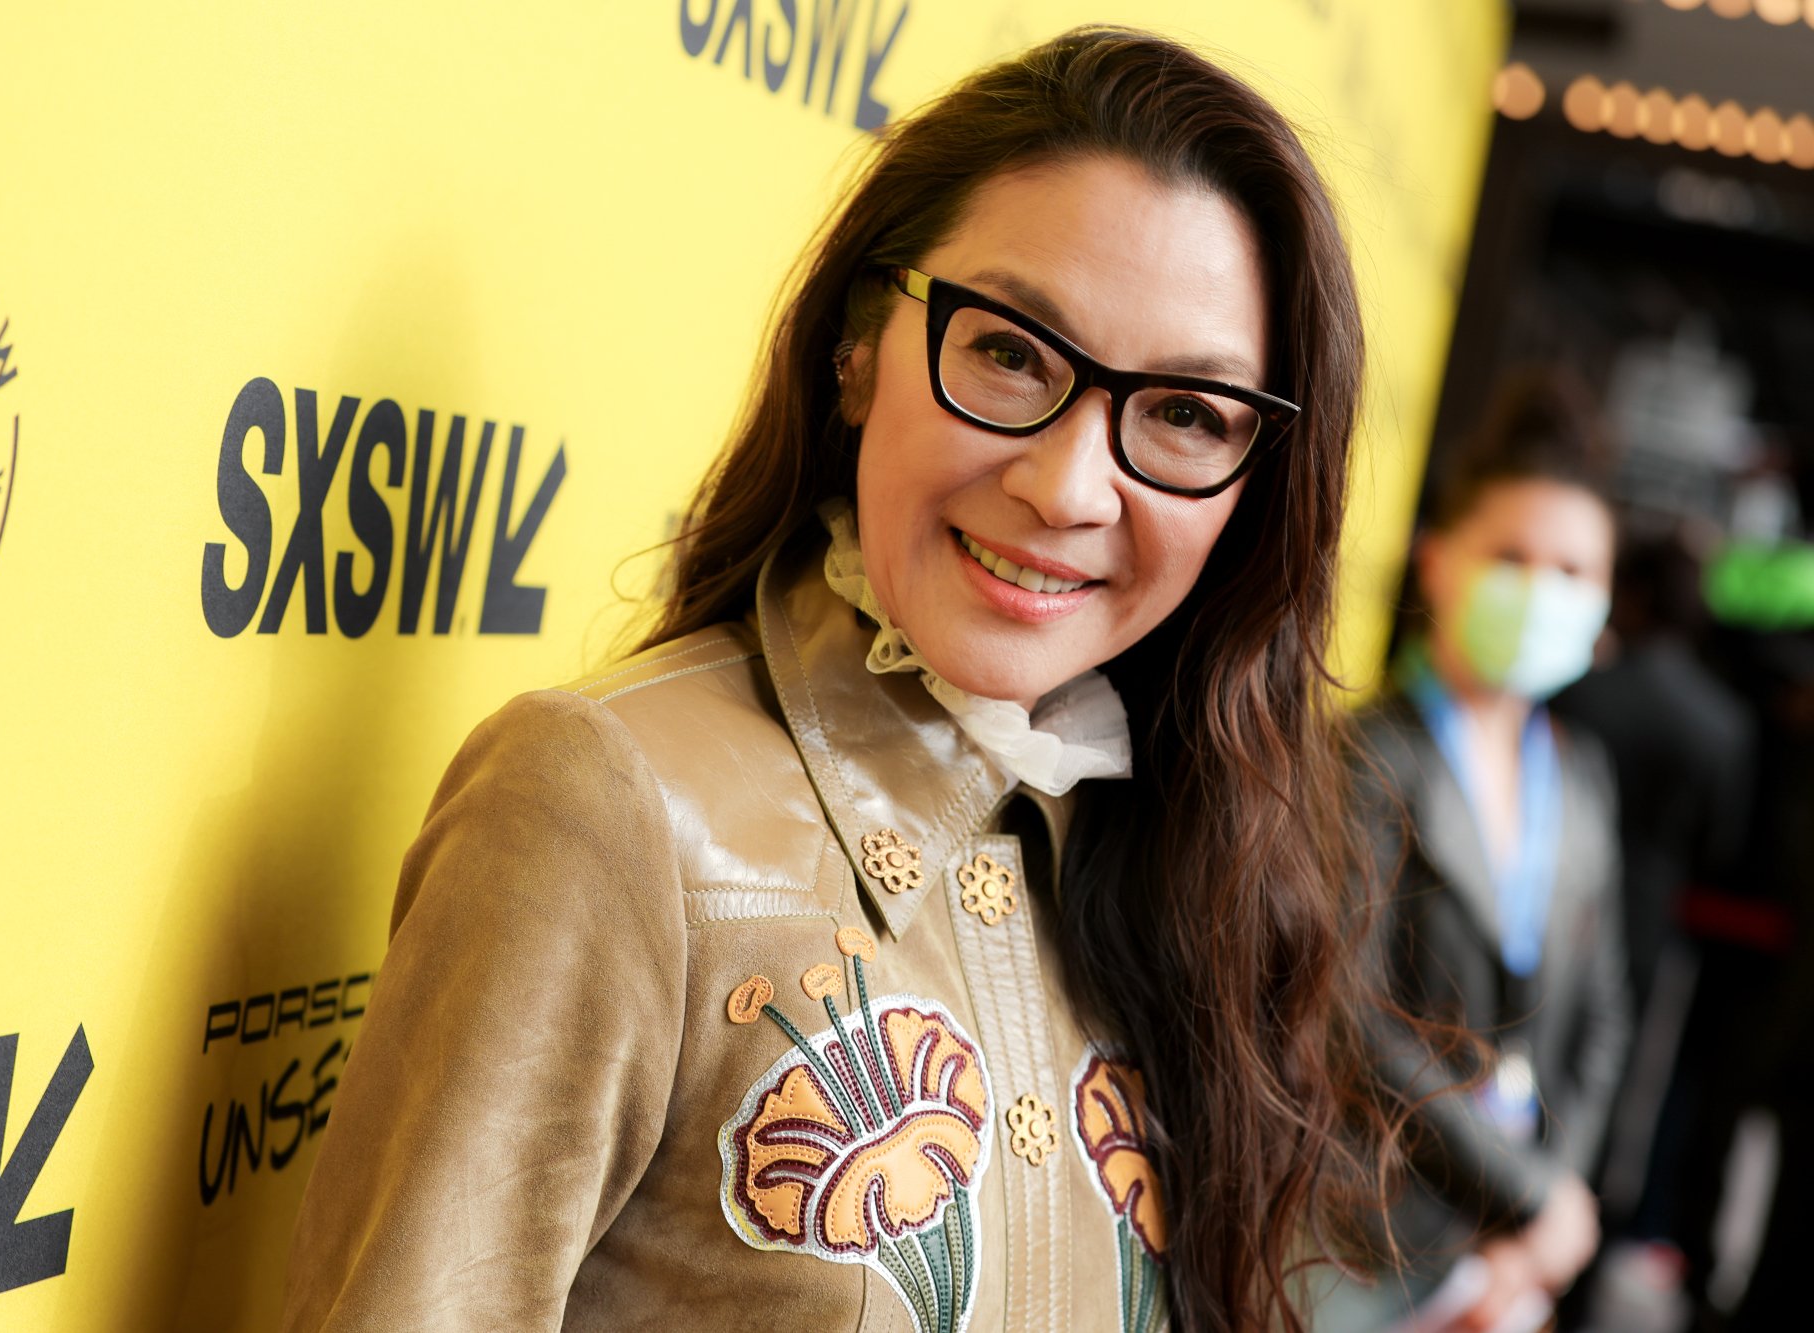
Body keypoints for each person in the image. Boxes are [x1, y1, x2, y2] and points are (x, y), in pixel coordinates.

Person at [283, 27, 1402, 1333]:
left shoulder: (1177, 854)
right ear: (860, 347)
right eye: (1010, 352)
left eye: (1187, 415)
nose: (1069, 486)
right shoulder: (603, 804)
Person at [1342, 376, 1632, 1331]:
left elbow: (1601, 1017)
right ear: (1436, 563)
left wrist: (1549, 1208)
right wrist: (1526, 1195)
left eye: (1573, 572)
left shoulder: (1581, 775)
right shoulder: (1364, 755)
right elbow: (1350, 1015)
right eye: (1511, 555)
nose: (1541, 590)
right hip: (1361, 1231)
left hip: (1504, 1252)